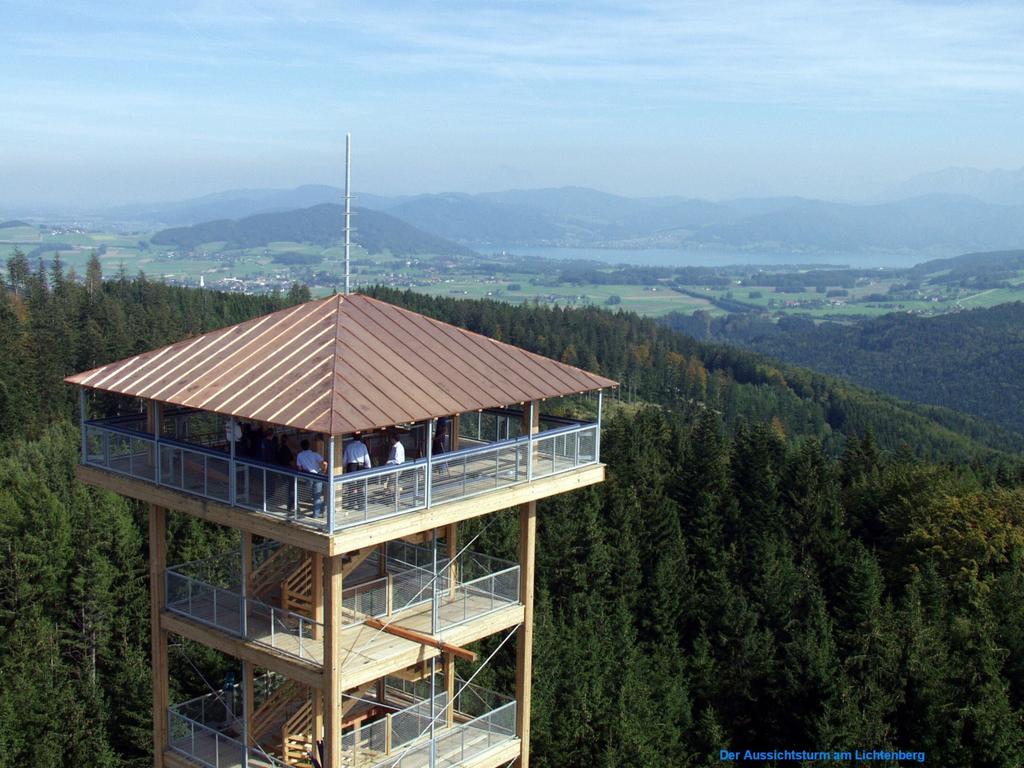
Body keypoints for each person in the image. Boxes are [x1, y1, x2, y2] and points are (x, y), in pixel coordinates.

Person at [295, 439, 327, 518]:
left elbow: (299, 468)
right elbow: (325, 463)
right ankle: (318, 513)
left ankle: (321, 509)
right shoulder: (315, 454)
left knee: (313, 495)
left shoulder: (300, 455)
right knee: (317, 496)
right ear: (309, 446)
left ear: (301, 447)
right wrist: (324, 471)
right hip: (318, 475)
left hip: (308, 476)